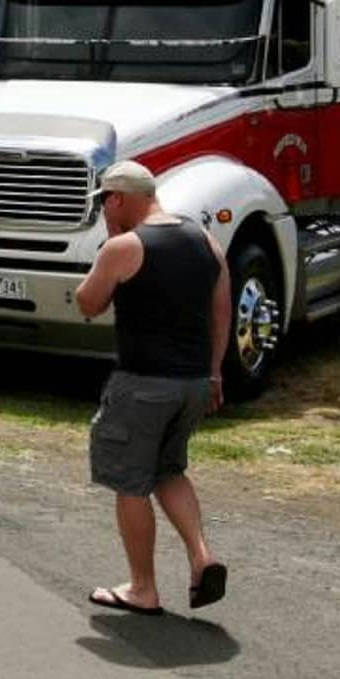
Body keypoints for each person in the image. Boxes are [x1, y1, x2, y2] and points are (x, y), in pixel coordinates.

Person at [74, 160, 230, 617]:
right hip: (193, 383)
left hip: (142, 384)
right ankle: (202, 556)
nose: (103, 212)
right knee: (168, 470)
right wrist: (215, 373)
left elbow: (88, 302)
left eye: (104, 203)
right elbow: (222, 311)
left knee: (131, 482)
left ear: (118, 198)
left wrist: (107, 250)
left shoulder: (125, 246)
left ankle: (143, 588)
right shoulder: (205, 240)